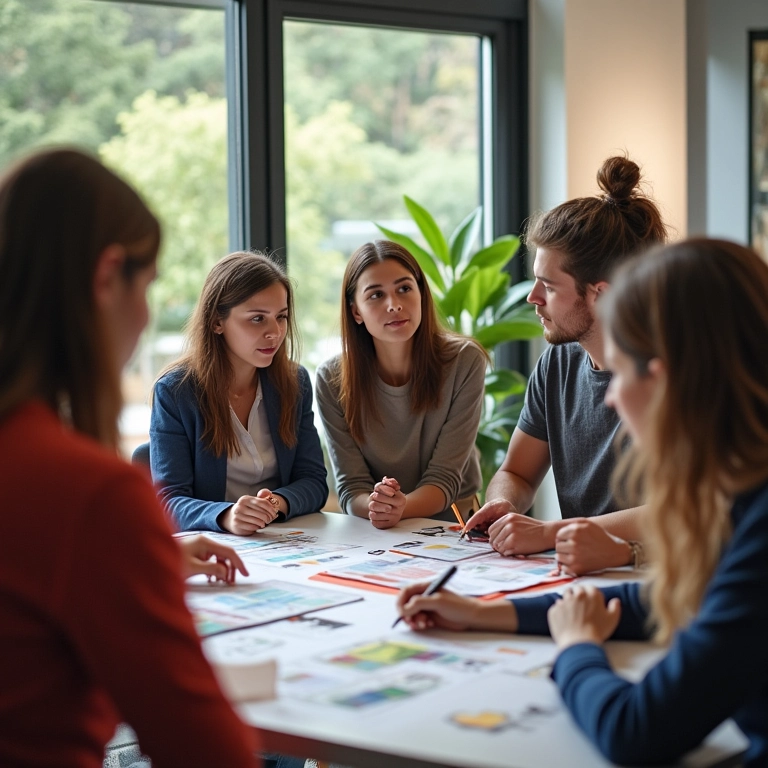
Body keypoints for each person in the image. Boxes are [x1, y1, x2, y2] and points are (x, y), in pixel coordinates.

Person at [398, 238, 768, 766]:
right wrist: (482, 612)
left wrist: (576, 648)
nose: (611, 396)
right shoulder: (742, 490)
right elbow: (665, 601)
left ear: (664, 380)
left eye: (621, 371)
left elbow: (634, 731)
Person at [0, 148, 259, 767]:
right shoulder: (87, 493)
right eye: (146, 287)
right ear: (107, 275)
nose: (145, 315)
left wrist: (148, 559)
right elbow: (207, 752)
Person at [464, 155, 667, 573]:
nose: (532, 297)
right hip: (582, 576)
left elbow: (681, 506)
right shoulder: (557, 362)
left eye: (549, 286)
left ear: (601, 295)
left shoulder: (671, 372)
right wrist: (504, 503)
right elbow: (517, 473)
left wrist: (551, 532)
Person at [150, 251, 328, 535]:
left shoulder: (295, 383)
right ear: (216, 322)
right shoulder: (176, 392)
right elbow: (167, 501)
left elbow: (314, 481)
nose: (274, 332)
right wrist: (227, 515)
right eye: (257, 319)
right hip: (215, 543)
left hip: (282, 538)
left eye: (281, 317)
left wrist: (273, 504)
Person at [316, 240, 487, 528]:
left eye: (404, 289)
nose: (394, 304)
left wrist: (399, 507)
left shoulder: (464, 361)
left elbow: (444, 478)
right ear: (356, 312)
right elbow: (351, 487)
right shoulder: (331, 379)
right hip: (374, 529)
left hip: (453, 526)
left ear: (421, 294)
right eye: (376, 295)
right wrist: (378, 507)